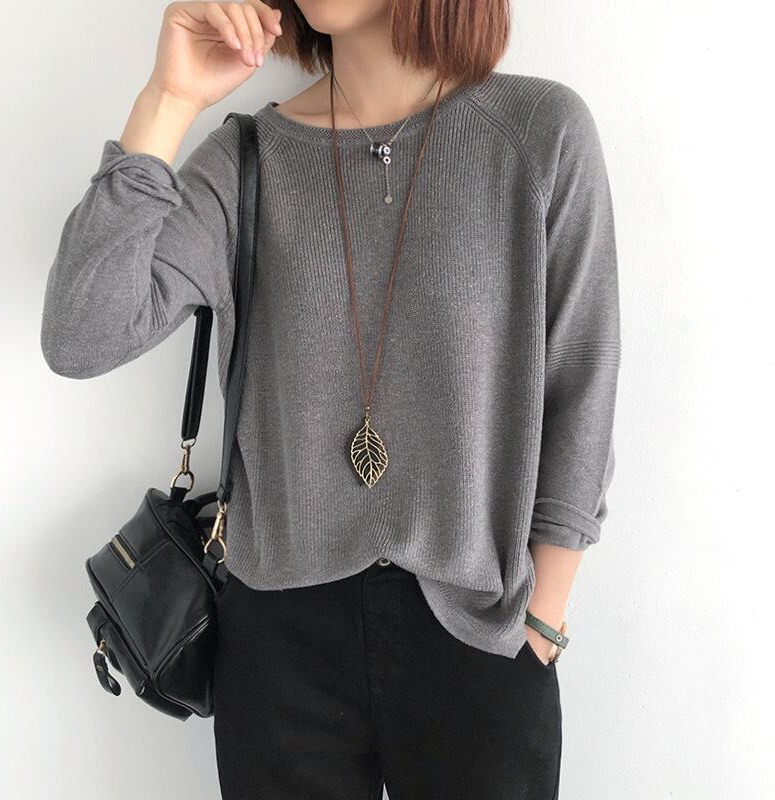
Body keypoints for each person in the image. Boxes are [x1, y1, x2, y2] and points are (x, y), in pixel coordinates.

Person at [40, 1, 621, 798]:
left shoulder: (538, 132)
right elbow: (80, 334)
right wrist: (168, 101)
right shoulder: (247, 160)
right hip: (279, 644)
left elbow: (583, 380)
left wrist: (543, 620)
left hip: (479, 631)